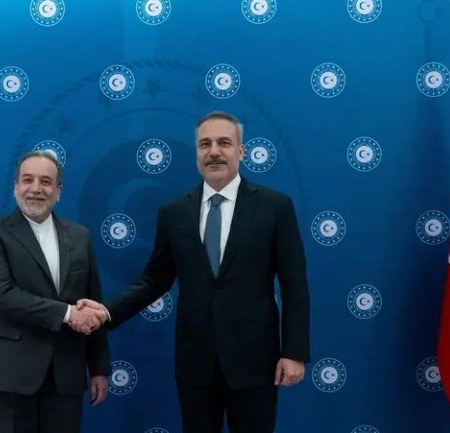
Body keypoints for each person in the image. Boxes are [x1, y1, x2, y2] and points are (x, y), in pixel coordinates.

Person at [79, 111, 310, 433]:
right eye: (205, 144)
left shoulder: (275, 207)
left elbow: (294, 285)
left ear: (241, 151)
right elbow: (154, 280)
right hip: (196, 363)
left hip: (256, 362)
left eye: (224, 143)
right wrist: (106, 312)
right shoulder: (174, 212)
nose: (214, 151)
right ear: (197, 153)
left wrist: (294, 352)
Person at [0, 150, 109, 433]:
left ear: (58, 192)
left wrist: (98, 368)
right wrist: (68, 313)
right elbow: (2, 296)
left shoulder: (80, 236)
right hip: (13, 372)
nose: (36, 189)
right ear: (16, 187)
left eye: (46, 182)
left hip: (67, 372)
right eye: (28, 180)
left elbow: (92, 303)